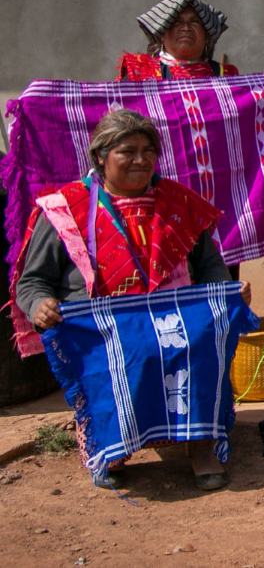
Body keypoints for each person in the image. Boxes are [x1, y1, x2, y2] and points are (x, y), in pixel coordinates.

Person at [13, 109, 249, 490]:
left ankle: (200, 445)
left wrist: (223, 296)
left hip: (174, 319)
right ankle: (113, 443)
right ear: (101, 157)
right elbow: (34, 280)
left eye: (148, 150)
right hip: (101, 328)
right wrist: (39, 303)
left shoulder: (179, 203)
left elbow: (209, 267)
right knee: (125, 350)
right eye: (128, 151)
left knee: (202, 341)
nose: (141, 160)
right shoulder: (65, 209)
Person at [116, 0, 238, 81]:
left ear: (206, 36)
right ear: (162, 35)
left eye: (194, 22)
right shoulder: (138, 72)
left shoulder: (226, 75)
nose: (186, 28)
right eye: (177, 23)